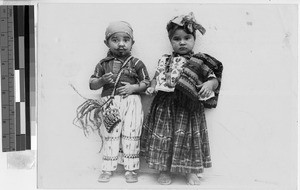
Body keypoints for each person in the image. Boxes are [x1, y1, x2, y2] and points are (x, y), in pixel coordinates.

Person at [140, 12, 223, 185]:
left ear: (194, 39)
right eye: (177, 39)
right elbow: (157, 76)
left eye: (187, 38)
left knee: (188, 139)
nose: (182, 42)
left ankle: (190, 171)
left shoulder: (199, 61)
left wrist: (210, 85)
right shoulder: (164, 60)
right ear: (171, 41)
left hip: (188, 106)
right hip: (164, 105)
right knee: (164, 137)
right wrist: (153, 86)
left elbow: (213, 78)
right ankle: (164, 170)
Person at [89, 21, 150, 183]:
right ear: (106, 43)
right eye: (115, 40)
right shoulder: (103, 64)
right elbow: (92, 84)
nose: (121, 44)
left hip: (132, 102)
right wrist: (102, 80)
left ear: (132, 43)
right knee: (110, 133)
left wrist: (134, 88)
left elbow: (147, 83)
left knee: (131, 133)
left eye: (126, 40)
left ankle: (131, 169)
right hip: (110, 103)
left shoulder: (137, 63)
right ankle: (107, 168)